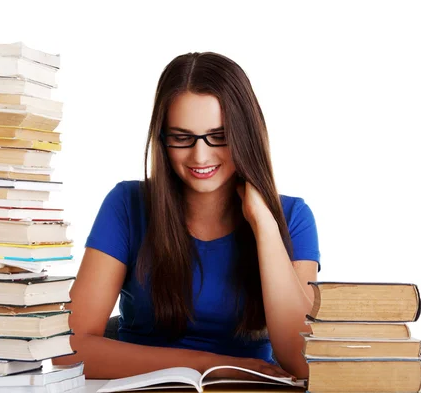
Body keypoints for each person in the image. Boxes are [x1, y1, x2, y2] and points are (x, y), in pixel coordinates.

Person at [53, 52, 320, 380]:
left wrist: (264, 224)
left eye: (219, 136)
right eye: (182, 138)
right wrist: (209, 366)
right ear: (162, 140)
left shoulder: (293, 217)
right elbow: (68, 350)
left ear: (245, 135)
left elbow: (303, 361)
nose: (200, 155)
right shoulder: (127, 204)